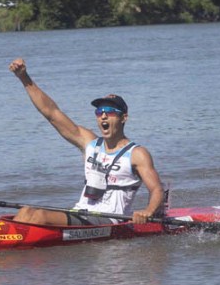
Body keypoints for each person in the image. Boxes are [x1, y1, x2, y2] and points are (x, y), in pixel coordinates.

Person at [9, 58, 166, 226]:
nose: (103, 116)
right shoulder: (89, 143)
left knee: (39, 217)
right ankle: (6, 238)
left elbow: (157, 189)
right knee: (26, 211)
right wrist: (24, 78)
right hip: (81, 212)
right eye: (99, 111)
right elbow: (51, 113)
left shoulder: (137, 154)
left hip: (110, 220)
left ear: (123, 118)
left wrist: (148, 211)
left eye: (110, 111)